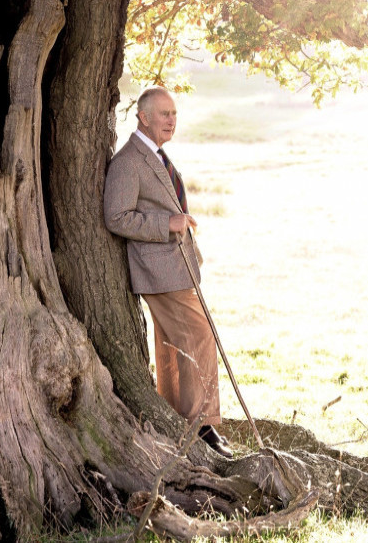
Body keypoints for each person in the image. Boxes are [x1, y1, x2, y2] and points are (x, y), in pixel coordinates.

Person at [103, 87, 232, 458]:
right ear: (143, 116)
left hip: (177, 267)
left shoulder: (156, 156)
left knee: (174, 346)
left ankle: (178, 418)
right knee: (199, 337)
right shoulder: (129, 161)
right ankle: (201, 426)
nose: (171, 121)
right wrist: (168, 223)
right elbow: (116, 217)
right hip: (159, 271)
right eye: (164, 114)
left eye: (174, 114)